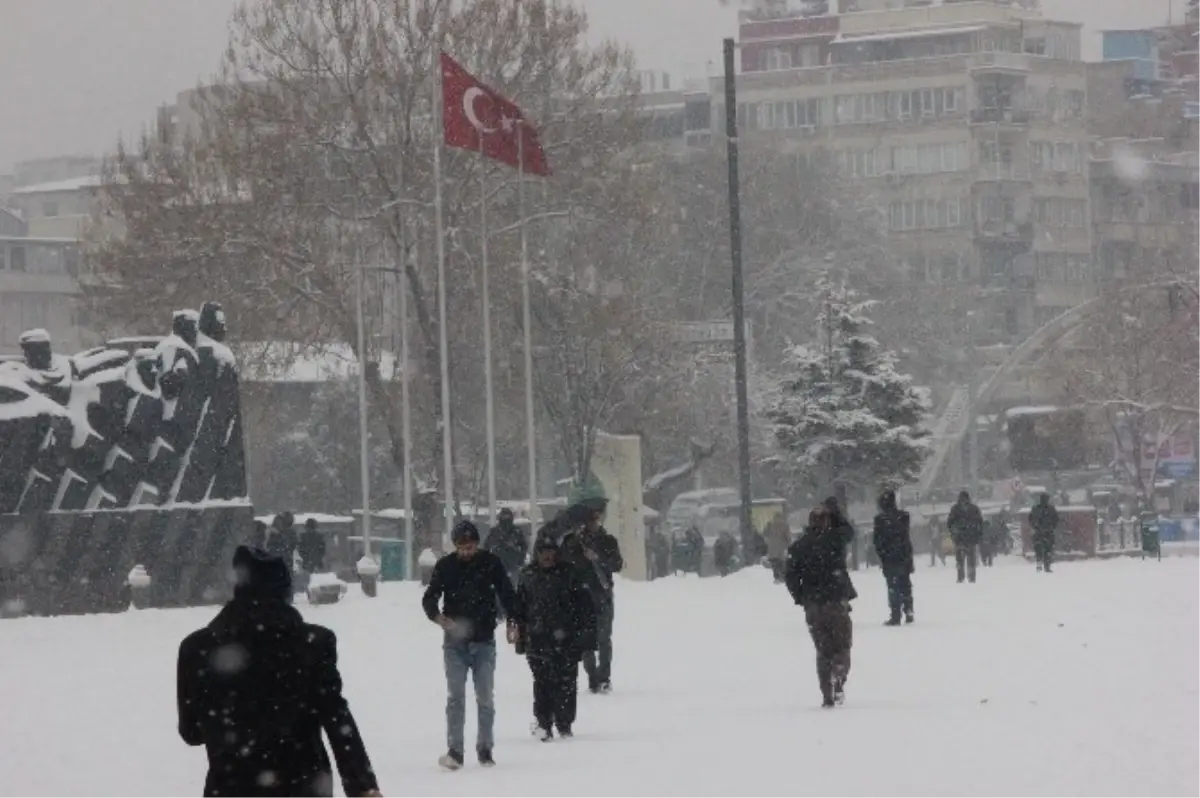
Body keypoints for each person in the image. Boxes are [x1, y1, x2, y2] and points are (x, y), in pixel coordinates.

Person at [176, 546, 382, 798]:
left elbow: (191, 733)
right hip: (304, 786)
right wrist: (362, 785)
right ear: (285, 590)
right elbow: (337, 719)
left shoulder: (197, 648)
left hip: (231, 787)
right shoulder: (314, 644)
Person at [422, 520, 522, 770]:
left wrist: (512, 621)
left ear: (477, 544)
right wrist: (439, 618)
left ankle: (485, 748)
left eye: (471, 547)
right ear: (455, 546)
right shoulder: (445, 567)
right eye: (462, 547)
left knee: (485, 696)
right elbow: (430, 598)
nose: (467, 551)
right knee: (455, 697)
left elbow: (507, 593)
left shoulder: (491, 564)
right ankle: (455, 750)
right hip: (454, 643)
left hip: (484, 640)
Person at [514, 535, 596, 741]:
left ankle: (564, 722)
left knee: (566, 681)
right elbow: (519, 608)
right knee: (542, 682)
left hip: (566, 638)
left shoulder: (569, 574)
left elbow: (585, 607)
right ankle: (543, 722)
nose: (548, 557)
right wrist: (520, 636)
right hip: (537, 638)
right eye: (543, 552)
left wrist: (584, 635)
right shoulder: (528, 576)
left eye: (551, 552)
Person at [786, 508, 856, 709]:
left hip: (813, 605)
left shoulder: (799, 546)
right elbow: (849, 532)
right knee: (842, 645)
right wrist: (838, 514)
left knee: (822, 649)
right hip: (836, 601)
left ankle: (827, 693)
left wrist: (801, 596)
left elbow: (790, 576)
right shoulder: (835, 541)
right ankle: (839, 673)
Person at [560, 506, 623, 694]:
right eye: (590, 521)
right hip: (581, 596)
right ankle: (592, 676)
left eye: (596, 520)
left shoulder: (608, 541)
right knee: (586, 640)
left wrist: (598, 558)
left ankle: (604, 678)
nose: (594, 524)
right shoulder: (572, 543)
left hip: (602, 594)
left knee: (604, 638)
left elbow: (617, 564)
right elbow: (564, 566)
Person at [872, 490, 914, 626]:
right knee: (905, 583)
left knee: (893, 585)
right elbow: (905, 535)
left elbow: (877, 540)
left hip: (889, 557)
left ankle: (895, 614)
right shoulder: (904, 516)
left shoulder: (880, 520)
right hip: (904, 554)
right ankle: (908, 609)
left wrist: (882, 553)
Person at [484, 507, 528, 586]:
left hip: (513, 565)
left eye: (507, 517)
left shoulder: (517, 532)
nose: (505, 519)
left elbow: (524, 547)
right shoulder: (494, 532)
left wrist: (520, 560)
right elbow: (486, 547)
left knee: (514, 587)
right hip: (498, 566)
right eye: (504, 517)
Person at [947, 491, 984, 584]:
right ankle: (969, 577)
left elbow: (949, 523)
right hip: (967, 539)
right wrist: (977, 535)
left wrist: (954, 532)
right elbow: (980, 523)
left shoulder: (956, 509)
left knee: (962, 560)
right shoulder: (973, 509)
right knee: (968, 559)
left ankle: (963, 577)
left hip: (962, 539)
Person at [1030, 493, 1060, 573]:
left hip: (1038, 533)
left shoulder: (1035, 508)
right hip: (1048, 533)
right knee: (1048, 550)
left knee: (1038, 549)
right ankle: (1047, 567)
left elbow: (1031, 520)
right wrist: (1051, 527)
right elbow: (1056, 519)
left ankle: (1039, 564)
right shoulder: (1051, 509)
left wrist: (1036, 527)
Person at [765, 512, 792, 584]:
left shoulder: (770, 525)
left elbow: (765, 534)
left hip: (773, 548)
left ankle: (777, 577)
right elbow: (788, 537)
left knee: (775, 563)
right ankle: (781, 577)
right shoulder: (784, 525)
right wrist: (789, 545)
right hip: (781, 548)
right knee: (781, 563)